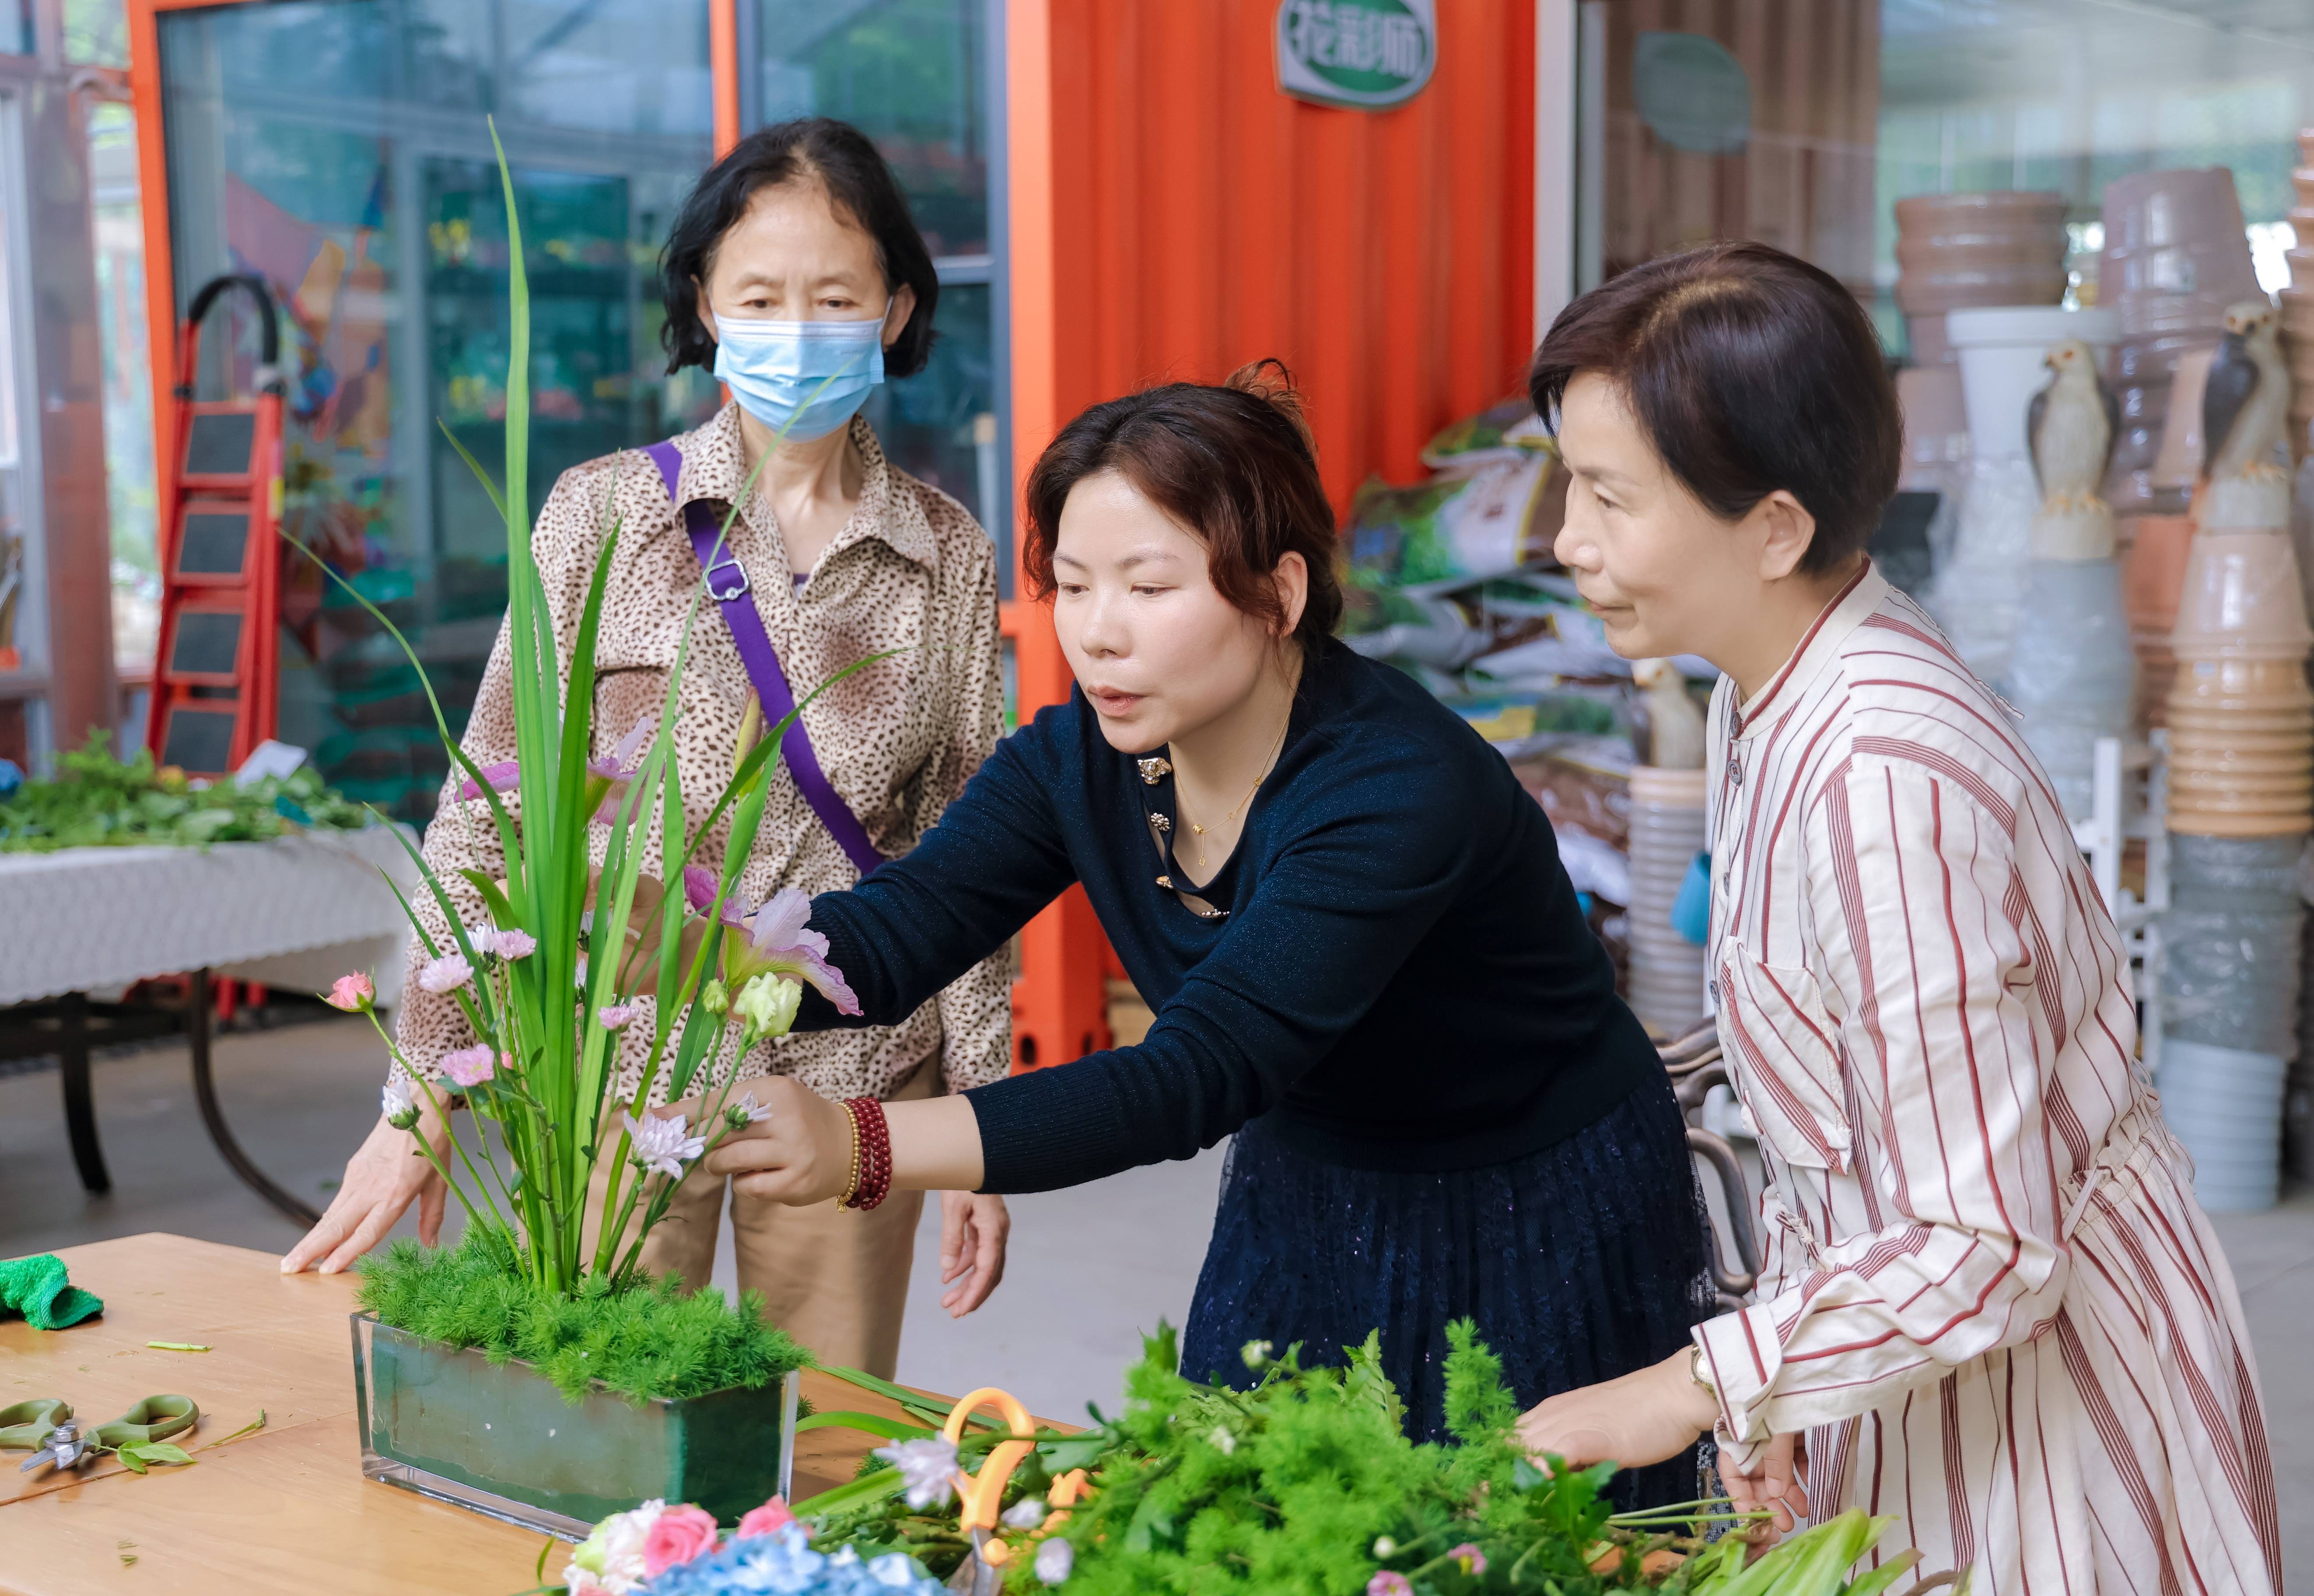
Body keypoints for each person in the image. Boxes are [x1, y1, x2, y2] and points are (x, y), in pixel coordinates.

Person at [684, 361, 1709, 1501]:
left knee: (1503, 1543)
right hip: (1310, 1177)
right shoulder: (1085, 756)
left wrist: (860, 1143)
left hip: (1526, 1197)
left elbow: (1196, 1075)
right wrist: (708, 967)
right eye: (1073, 586)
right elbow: (900, 930)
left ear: (1277, 594)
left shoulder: (1393, 787)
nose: (1099, 635)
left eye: (1149, 588)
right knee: (1258, 1526)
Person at [1512, 242, 2281, 1595]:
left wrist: (1693, 1388)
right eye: (1571, 483)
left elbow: (1982, 1245)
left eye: (1612, 498)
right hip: (1914, 1348)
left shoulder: (1880, 778)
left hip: (2037, 1390)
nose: (1567, 539)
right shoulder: (1773, 677)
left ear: (1774, 526)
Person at [282, 119, 1015, 1378]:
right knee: (600, 1446)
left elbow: (977, 855)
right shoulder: (603, 513)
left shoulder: (945, 553)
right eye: (762, 295)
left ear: (896, 308)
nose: (799, 326)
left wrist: (977, 1131)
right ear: (705, 305)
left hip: (853, 1077)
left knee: (833, 1449)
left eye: (836, 295)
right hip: (616, 1073)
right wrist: (422, 1099)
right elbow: (486, 813)